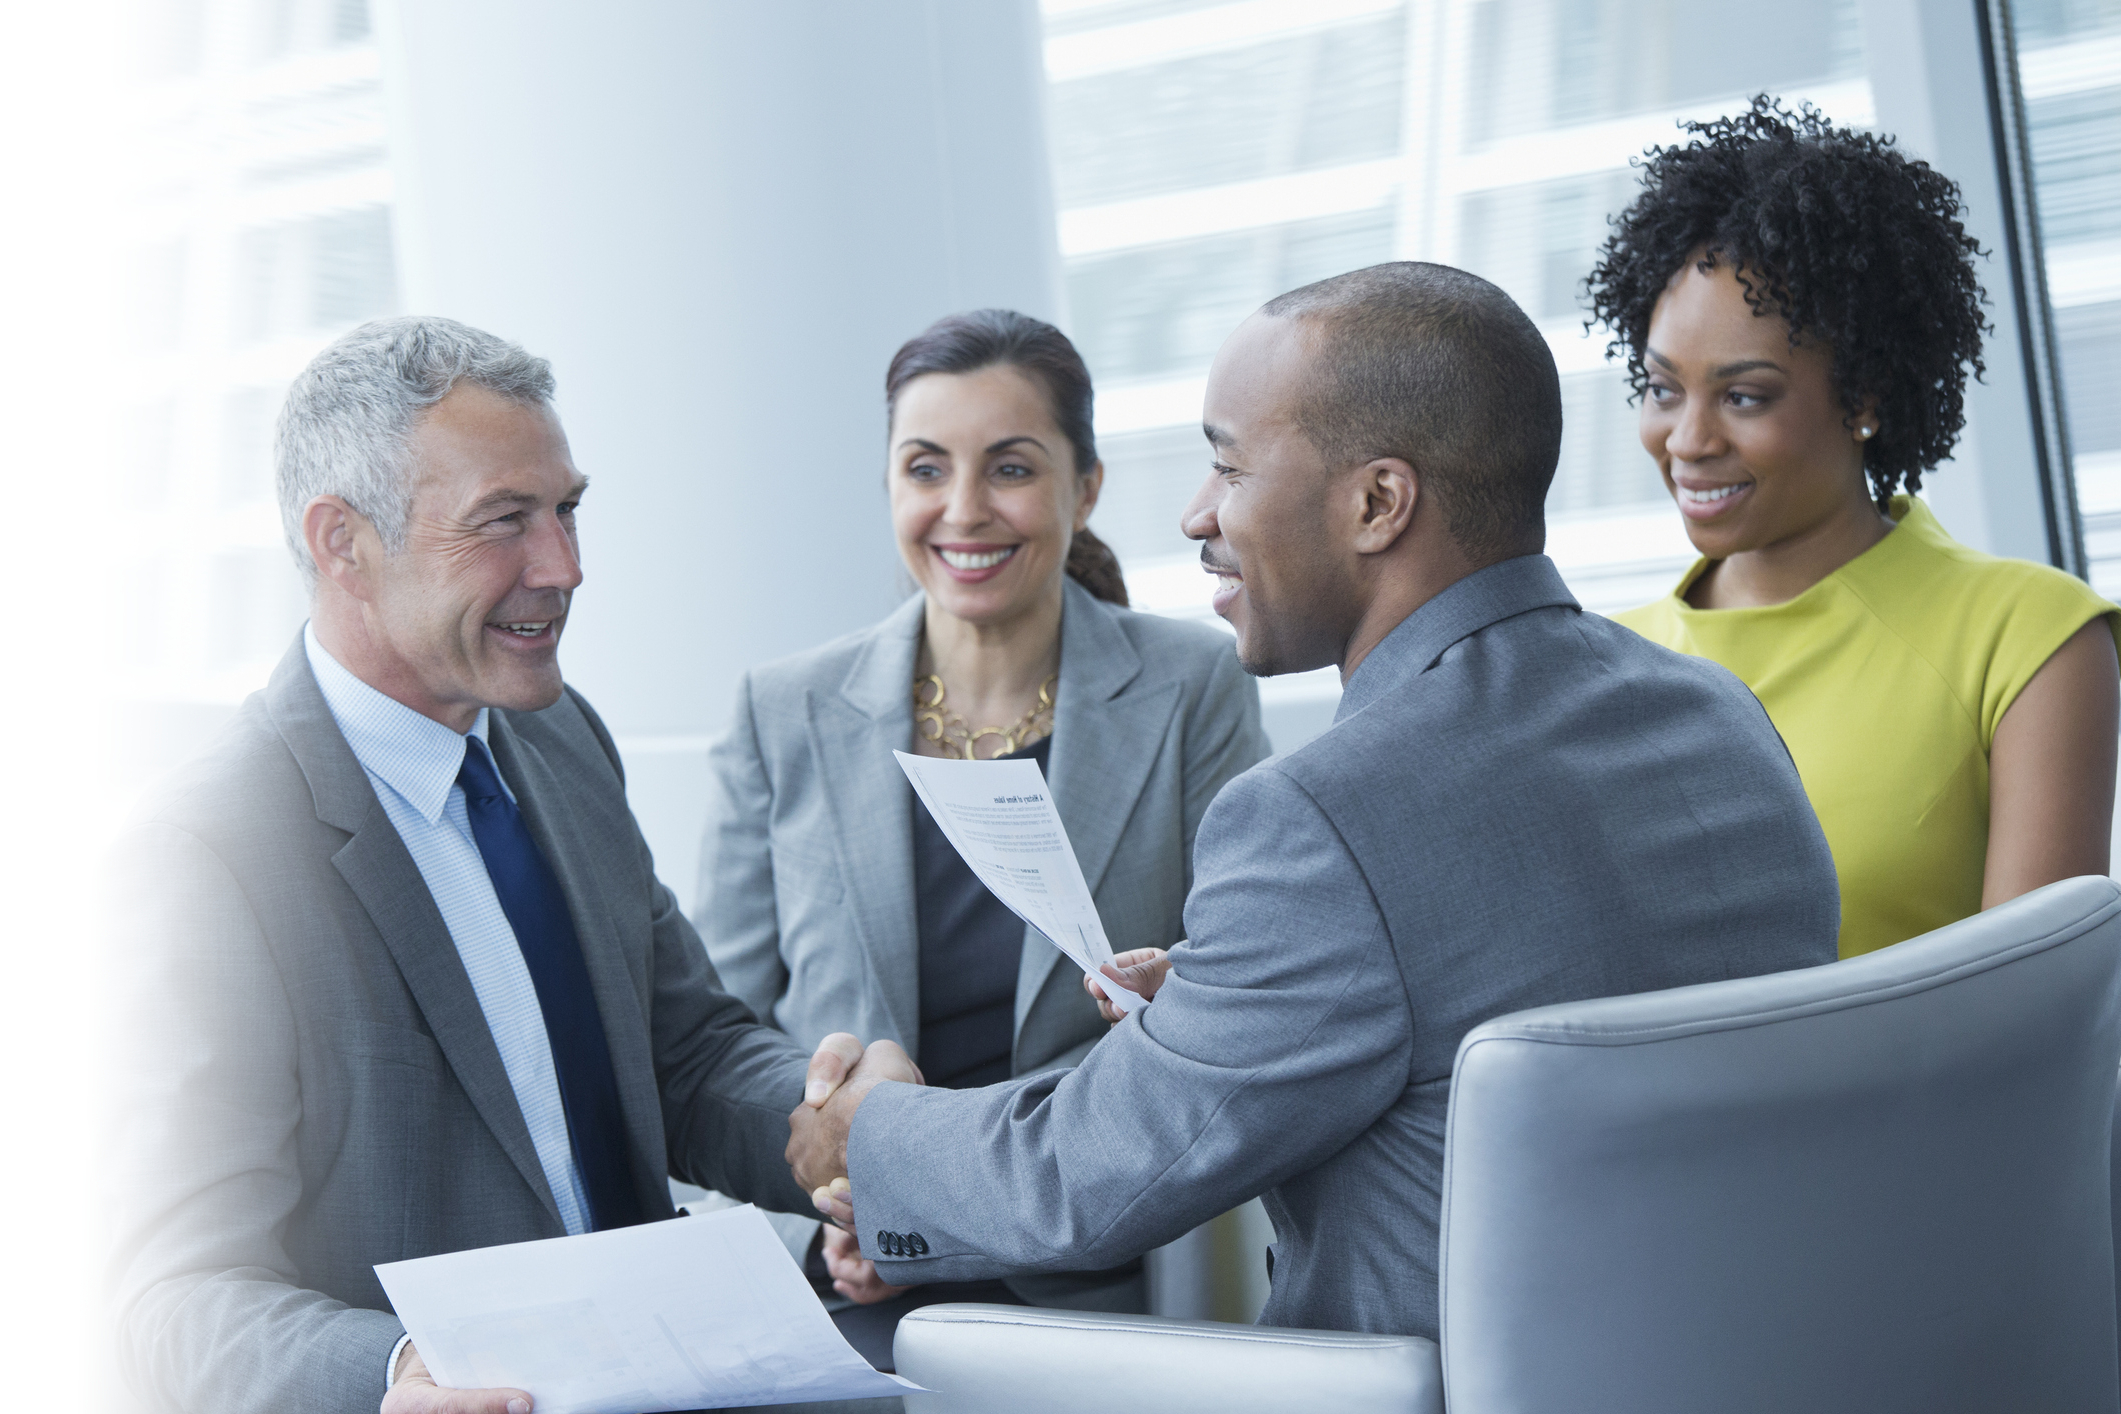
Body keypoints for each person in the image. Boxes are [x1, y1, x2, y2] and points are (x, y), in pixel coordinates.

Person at [783, 262, 1841, 1343]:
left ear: (1378, 503)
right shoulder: (1722, 718)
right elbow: (1526, 954)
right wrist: (1223, 990)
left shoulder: (1320, 817)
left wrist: (868, 1136)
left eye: (1228, 466)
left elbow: (1083, 1178)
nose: (1198, 512)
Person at [108, 317, 828, 1414]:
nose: (566, 567)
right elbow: (172, 1294)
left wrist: (844, 1129)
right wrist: (396, 1371)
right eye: (506, 523)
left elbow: (684, 1054)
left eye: (567, 510)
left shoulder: (558, 736)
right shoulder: (206, 854)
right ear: (343, 541)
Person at [693, 308, 1269, 1362]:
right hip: (855, 1286)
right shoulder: (785, 711)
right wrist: (833, 1215)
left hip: (1095, 1284)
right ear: (889, 485)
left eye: (1009, 467)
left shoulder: (1193, 689)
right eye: (925, 469)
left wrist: (1162, 986)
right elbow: (716, 1037)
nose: (963, 510)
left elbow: (1245, 984)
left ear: (1085, 484)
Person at [1590, 98, 2121, 959]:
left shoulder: (2025, 638)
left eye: (1743, 396)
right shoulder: (1599, 668)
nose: (1687, 441)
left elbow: (2039, 1022)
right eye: (1661, 389)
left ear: (1865, 397)